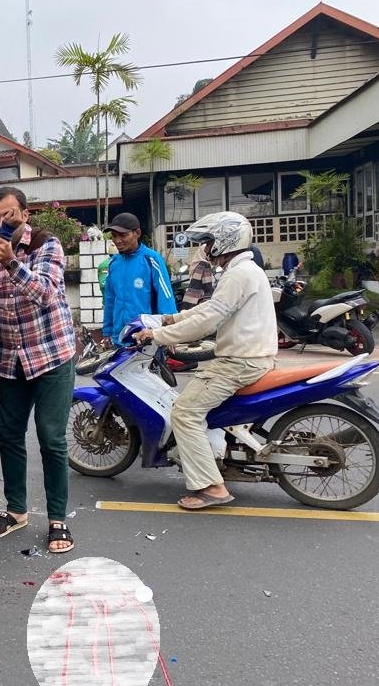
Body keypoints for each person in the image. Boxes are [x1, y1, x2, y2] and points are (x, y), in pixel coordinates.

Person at [133, 211, 277, 510]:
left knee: (184, 413)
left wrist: (158, 335)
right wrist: (170, 318)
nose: (206, 248)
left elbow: (207, 321)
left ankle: (212, 487)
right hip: (252, 357)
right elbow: (210, 308)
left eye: (209, 241)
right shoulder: (245, 270)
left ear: (226, 240)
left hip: (238, 362)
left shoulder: (238, 273)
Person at [0, 186, 78, 554]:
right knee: (9, 436)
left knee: (52, 438)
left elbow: (46, 293)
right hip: (9, 360)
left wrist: (10, 262)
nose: (0, 223)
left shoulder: (47, 246)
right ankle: (16, 511)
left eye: (8, 216)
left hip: (51, 356)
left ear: (24, 215)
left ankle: (57, 518)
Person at [102, 212, 177, 346]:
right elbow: (109, 300)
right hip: (118, 338)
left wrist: (170, 332)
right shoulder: (113, 264)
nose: (117, 241)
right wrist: (107, 332)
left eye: (123, 235)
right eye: (114, 236)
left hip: (146, 337)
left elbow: (165, 296)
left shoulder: (151, 259)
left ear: (137, 233)